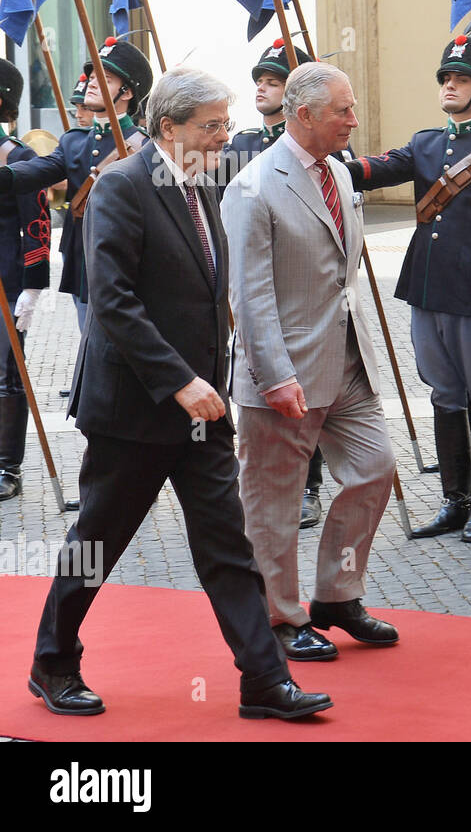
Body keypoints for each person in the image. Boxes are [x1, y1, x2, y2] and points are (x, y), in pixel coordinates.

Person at [25, 68, 330, 719]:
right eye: (211, 125)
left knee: (227, 544)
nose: (224, 134)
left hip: (202, 413)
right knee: (98, 541)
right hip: (134, 410)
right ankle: (52, 661)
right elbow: (112, 302)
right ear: (169, 127)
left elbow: (206, 294)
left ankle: (264, 680)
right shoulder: (121, 186)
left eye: (224, 122)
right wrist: (179, 381)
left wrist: (217, 379)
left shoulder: (203, 182)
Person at [222, 62, 399, 660]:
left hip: (347, 362)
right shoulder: (253, 185)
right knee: (272, 503)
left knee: (375, 467)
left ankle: (337, 596)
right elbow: (249, 296)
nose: (354, 119)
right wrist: (274, 376)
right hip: (284, 373)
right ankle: (279, 616)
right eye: (342, 111)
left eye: (351, 108)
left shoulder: (339, 173)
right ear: (303, 116)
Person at [344, 35, 471, 542]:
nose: (450, 86)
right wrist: (337, 157)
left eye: (462, 79)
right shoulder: (426, 144)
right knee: (444, 393)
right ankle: (453, 500)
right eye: (447, 79)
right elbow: (378, 170)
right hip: (428, 289)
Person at [223, 38, 329, 531]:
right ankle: (260, 483)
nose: (262, 90)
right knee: (259, 384)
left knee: (303, 389)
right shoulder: (241, 145)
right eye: (260, 82)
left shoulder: (318, 151)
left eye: (273, 82)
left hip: (303, 292)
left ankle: (309, 486)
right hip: (251, 280)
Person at [0, 39, 150, 334]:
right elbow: (37, 170)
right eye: (92, 77)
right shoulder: (74, 141)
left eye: (104, 79)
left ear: (127, 92)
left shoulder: (144, 145)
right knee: (89, 344)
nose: (92, 84)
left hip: (128, 266)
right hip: (84, 261)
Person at [0, 59, 50, 501]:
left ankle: (6, 465)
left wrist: (32, 286)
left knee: (5, 373)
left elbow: (37, 224)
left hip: (7, 279)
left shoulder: (19, 156)